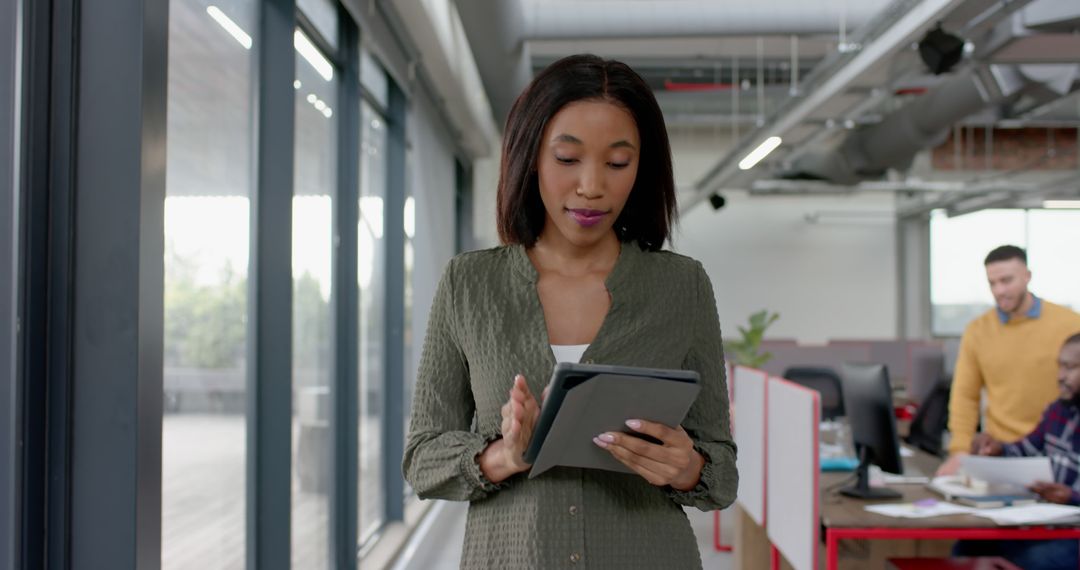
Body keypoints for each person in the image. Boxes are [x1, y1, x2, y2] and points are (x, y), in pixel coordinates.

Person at [401, 54, 737, 569]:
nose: (591, 186)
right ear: (531, 157)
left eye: (618, 163)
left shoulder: (681, 285)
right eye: (567, 158)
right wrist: (502, 456)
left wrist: (688, 467)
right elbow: (421, 459)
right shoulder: (469, 285)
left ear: (641, 169)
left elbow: (722, 473)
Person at [938, 245, 1080, 476]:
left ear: (1027, 276)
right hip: (1000, 452)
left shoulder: (1071, 325)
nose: (999, 290)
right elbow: (965, 394)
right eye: (992, 283)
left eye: (1006, 280)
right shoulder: (978, 330)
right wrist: (960, 451)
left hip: (1055, 452)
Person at [951, 333, 1080, 569]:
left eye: (1070, 368)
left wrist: (1071, 497)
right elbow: (1026, 449)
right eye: (1060, 366)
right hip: (1046, 520)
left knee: (1036, 560)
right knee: (970, 545)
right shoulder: (1058, 410)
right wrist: (997, 448)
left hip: (1074, 532)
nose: (1061, 376)